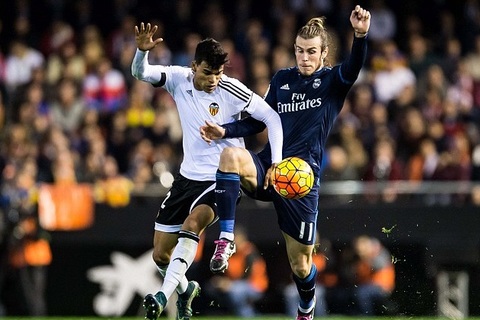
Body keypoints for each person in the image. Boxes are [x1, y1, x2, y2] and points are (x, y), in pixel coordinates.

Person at [201, 5, 371, 320]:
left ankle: (306, 306)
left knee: (301, 265)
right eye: (299, 51)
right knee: (229, 156)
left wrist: (359, 35)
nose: (304, 57)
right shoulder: (282, 80)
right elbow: (257, 121)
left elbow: (354, 66)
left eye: (310, 52)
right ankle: (225, 239)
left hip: (300, 183)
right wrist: (224, 130)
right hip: (268, 167)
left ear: (323, 54)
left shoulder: (333, 81)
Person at [131, 22, 283, 320]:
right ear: (194, 66)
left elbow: (271, 117)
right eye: (207, 72)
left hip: (220, 179)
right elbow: (141, 73)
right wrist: (141, 52)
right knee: (161, 254)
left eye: (218, 73)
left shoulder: (231, 88)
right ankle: (186, 289)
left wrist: (275, 161)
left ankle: (163, 296)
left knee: (192, 225)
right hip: (186, 178)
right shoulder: (178, 78)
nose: (214, 79)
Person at [206, 225, 268, 317]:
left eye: (236, 240)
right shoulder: (230, 253)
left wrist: (229, 284)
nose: (233, 243)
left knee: (235, 291)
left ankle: (248, 315)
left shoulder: (249, 252)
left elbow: (248, 276)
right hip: (236, 284)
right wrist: (221, 281)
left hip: (255, 285)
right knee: (212, 287)